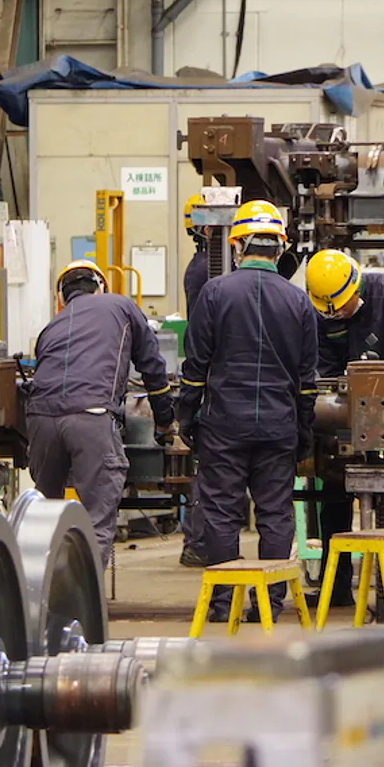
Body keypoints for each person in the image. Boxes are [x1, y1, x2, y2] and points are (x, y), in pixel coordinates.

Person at [177, 200, 318, 622]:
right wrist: (303, 431)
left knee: (221, 511)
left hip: (224, 424)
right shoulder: (299, 302)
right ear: (281, 246)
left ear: (237, 245)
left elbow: (194, 367)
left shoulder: (215, 293)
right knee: (275, 512)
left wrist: (186, 417)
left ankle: (224, 603)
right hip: (278, 426)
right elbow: (307, 381)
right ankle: (270, 604)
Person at [304, 248, 384, 609]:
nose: (338, 314)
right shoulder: (321, 311)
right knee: (334, 496)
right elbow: (320, 367)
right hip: (344, 416)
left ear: (356, 286)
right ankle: (338, 586)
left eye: (343, 307)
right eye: (331, 310)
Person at [26, 259, 174, 565]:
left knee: (44, 519)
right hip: (92, 416)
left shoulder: (51, 327)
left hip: (40, 420)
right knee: (96, 520)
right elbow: (153, 367)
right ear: (101, 286)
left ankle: (37, 598)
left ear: (61, 296)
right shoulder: (121, 305)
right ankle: (84, 604)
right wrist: (164, 421)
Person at [179, 193, 213, 567]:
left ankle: (200, 541)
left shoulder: (209, 266)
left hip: (211, 377)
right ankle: (199, 542)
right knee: (212, 467)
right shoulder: (207, 269)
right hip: (214, 380)